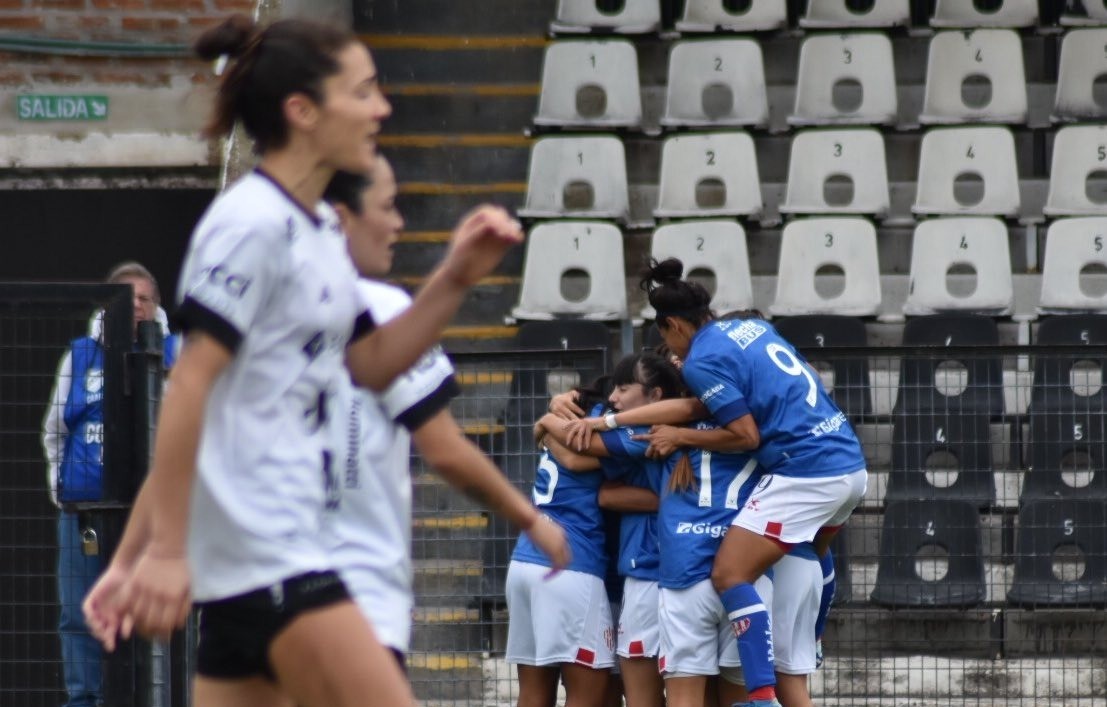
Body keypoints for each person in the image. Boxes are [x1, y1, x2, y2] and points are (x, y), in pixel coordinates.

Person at [82, 15, 545, 707]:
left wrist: (454, 276)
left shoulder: (318, 230)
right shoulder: (250, 225)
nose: (382, 108)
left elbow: (373, 364)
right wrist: (166, 551)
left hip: (262, 566)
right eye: (362, 92)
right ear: (302, 111)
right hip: (277, 555)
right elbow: (190, 388)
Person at [567, 259, 868, 707]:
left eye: (666, 337)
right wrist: (619, 417)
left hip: (803, 472)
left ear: (673, 325)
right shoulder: (752, 330)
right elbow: (706, 410)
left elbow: (743, 434)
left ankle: (762, 698)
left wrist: (674, 436)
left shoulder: (702, 360)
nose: (671, 351)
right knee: (810, 553)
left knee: (730, 572)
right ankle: (814, 636)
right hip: (850, 465)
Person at [319, 159, 570, 663]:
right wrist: (531, 519)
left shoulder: (257, 295)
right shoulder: (382, 308)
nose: (398, 225)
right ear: (341, 217)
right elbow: (445, 450)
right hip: (353, 589)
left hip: (252, 583)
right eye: (388, 207)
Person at [42, 261, 178, 707]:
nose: (136, 307)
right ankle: (86, 701)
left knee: (154, 614)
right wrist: (61, 491)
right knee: (80, 613)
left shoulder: (178, 356)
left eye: (145, 299)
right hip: (86, 513)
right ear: (109, 306)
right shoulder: (79, 356)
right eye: (127, 298)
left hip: (156, 518)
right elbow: (55, 430)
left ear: (156, 306)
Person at [537, 352, 683, 707]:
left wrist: (544, 421)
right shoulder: (705, 416)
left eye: (624, 388)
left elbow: (576, 455)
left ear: (656, 394)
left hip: (647, 570)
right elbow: (587, 470)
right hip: (649, 570)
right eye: (614, 388)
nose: (615, 397)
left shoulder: (642, 428)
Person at [509, 379, 618, 707]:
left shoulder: (567, 416)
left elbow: (566, 456)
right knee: (588, 696)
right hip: (572, 566)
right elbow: (577, 461)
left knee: (532, 695)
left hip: (524, 561)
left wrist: (545, 421)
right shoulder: (609, 423)